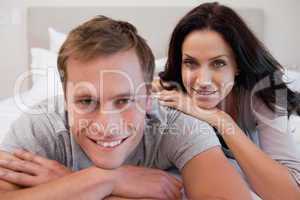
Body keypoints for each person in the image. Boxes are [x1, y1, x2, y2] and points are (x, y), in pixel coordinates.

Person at [0, 16, 251, 200]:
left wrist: (69, 186)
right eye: (86, 101)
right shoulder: (41, 125)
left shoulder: (178, 127)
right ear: (65, 101)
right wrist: (106, 180)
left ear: (148, 99)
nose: (107, 126)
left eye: (124, 101)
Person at [155, 2, 300, 200]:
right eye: (190, 63)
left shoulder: (263, 92)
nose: (203, 81)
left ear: (237, 65)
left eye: (218, 63)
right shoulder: (169, 87)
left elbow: (289, 194)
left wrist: (221, 120)